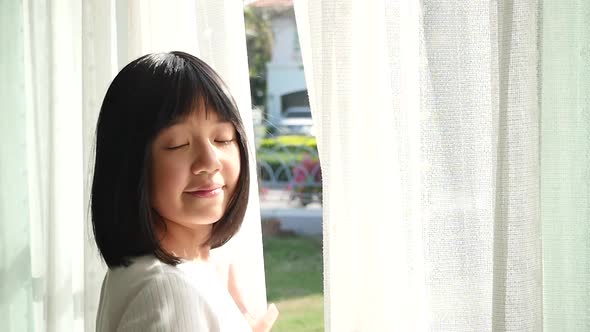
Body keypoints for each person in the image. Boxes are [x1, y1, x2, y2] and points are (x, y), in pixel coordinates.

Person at [91, 51, 278, 331]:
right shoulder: (169, 291)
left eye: (222, 138)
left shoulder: (144, 272)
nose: (209, 162)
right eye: (178, 144)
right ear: (130, 164)